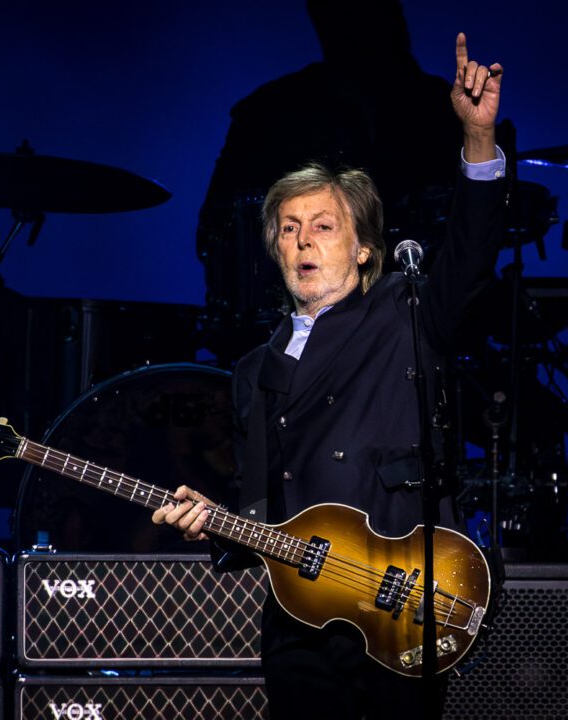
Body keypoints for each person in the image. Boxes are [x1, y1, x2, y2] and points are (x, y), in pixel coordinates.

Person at [154, 33, 505, 720]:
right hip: (301, 623)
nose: (303, 241)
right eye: (288, 229)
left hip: (400, 606)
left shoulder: (406, 314)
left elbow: (470, 254)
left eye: (322, 226)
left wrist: (478, 138)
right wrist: (211, 523)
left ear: (365, 247)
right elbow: (261, 509)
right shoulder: (254, 371)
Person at [197, 0, 466, 365]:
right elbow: (215, 229)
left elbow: (471, 228)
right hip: (287, 327)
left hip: (417, 324)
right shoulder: (269, 111)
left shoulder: (438, 106)